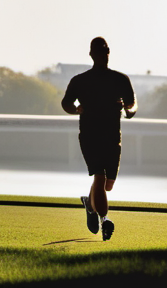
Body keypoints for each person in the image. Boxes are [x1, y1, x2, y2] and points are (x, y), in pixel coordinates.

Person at [61, 37, 137, 241]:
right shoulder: (80, 80)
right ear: (91, 54)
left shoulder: (120, 79)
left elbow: (133, 104)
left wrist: (129, 111)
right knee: (99, 177)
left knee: (107, 185)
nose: (103, 54)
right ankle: (105, 220)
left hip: (112, 136)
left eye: (105, 51)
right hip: (89, 135)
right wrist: (75, 109)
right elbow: (66, 103)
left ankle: (89, 204)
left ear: (108, 53)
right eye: (98, 51)